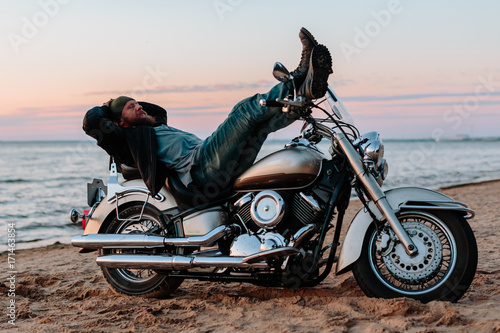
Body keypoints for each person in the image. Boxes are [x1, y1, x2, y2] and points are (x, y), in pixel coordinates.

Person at [83, 28, 332, 203]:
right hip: (202, 169)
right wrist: (108, 108)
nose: (138, 107)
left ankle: (305, 96)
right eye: (130, 107)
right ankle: (298, 79)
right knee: (244, 111)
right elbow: (92, 122)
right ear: (120, 122)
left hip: (216, 166)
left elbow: (156, 111)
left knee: (259, 125)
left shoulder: (155, 126)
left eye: (137, 103)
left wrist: (129, 107)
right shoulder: (130, 140)